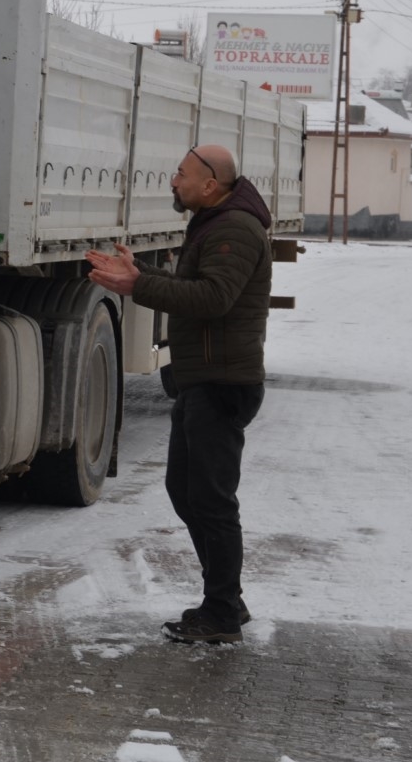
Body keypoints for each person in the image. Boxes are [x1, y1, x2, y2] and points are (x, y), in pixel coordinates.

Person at [84, 144, 272, 645]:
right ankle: (226, 598)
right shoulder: (214, 222)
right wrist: (142, 277)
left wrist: (136, 286)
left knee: (210, 500)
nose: (173, 181)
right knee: (186, 492)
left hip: (222, 382)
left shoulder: (233, 228)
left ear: (210, 184)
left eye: (182, 174)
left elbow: (213, 298)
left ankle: (222, 615)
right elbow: (197, 286)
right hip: (203, 379)